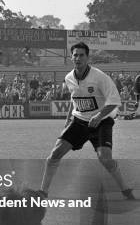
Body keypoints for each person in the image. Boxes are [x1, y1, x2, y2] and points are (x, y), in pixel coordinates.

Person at [39, 42, 134, 200]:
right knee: (54, 154)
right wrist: (68, 119)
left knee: (105, 158)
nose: (78, 58)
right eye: (75, 55)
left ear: (87, 57)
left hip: (102, 122)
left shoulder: (100, 77)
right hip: (79, 121)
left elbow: (115, 100)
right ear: (71, 57)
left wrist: (98, 116)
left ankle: (125, 189)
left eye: (81, 55)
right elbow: (74, 99)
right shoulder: (69, 78)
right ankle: (42, 192)